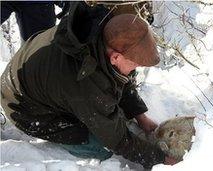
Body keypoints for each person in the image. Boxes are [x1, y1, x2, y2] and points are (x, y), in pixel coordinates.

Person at [0, 1, 176, 169]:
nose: (135, 68)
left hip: (36, 79)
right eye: (135, 64)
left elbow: (121, 78)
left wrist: (139, 115)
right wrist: (160, 158)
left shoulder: (101, 32)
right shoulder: (87, 82)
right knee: (102, 148)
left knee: (110, 110)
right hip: (23, 108)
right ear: (115, 57)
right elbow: (117, 140)